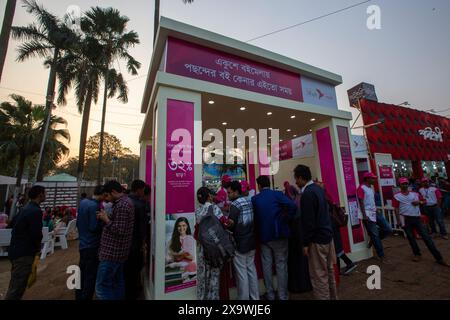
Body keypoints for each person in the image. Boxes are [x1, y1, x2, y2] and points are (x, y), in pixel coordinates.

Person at [294, 165, 337, 300]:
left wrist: (305, 243)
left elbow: (309, 222)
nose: (295, 182)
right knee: (329, 272)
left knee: (319, 276)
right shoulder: (318, 189)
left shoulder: (307, 194)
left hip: (317, 240)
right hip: (328, 237)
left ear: (301, 178)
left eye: (296, 179)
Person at [252, 175, 297, 300]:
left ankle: (270, 294)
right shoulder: (277, 195)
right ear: (269, 184)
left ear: (259, 186)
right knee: (281, 265)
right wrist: (285, 217)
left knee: (266, 265)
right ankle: (282, 295)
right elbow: (293, 206)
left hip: (264, 236)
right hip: (279, 235)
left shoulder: (255, 199)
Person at [393, 177, 449, 266]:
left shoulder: (415, 194)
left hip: (416, 218)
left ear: (408, 184)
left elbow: (424, 201)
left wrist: (419, 202)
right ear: (399, 185)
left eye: (406, 183)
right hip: (405, 219)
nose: (405, 185)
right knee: (411, 238)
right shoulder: (396, 196)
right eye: (403, 184)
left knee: (427, 238)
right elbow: (396, 209)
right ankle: (417, 254)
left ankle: (439, 258)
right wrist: (399, 221)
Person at [95, 180, 135, 300]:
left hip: (112, 253)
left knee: (102, 288)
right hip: (117, 253)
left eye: (107, 195)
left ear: (113, 192)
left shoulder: (122, 205)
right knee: (117, 284)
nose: (105, 199)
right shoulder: (122, 203)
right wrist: (108, 217)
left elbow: (120, 230)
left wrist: (106, 220)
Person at [5, 185, 46, 300]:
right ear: (40, 195)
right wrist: (37, 248)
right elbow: (36, 234)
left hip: (16, 251)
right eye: (45, 193)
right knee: (16, 289)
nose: (46, 195)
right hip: (24, 254)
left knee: (16, 285)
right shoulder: (35, 211)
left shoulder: (25, 208)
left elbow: (11, 225)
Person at [195, 187, 229, 300]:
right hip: (214, 248)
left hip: (202, 248)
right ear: (209, 196)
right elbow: (224, 223)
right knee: (214, 274)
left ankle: (201, 297)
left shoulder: (198, 211)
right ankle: (213, 297)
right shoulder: (214, 208)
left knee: (202, 275)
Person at [226, 181, 259, 300]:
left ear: (235, 192)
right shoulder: (249, 201)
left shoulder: (235, 205)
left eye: (229, 192)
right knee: (251, 270)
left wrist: (225, 223)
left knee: (242, 274)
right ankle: (255, 298)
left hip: (240, 243)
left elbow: (231, 224)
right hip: (251, 241)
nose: (227, 195)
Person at [75, 185, 105, 300]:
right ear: (102, 194)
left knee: (81, 275)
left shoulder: (83, 203)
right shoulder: (94, 206)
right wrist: (105, 221)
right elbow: (94, 227)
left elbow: (78, 223)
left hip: (83, 245)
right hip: (92, 245)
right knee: (90, 277)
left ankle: (78, 296)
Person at [357, 172, 392, 263]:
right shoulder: (361, 188)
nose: (374, 180)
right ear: (367, 179)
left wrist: (376, 209)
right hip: (367, 214)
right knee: (375, 234)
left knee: (388, 229)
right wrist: (364, 216)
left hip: (374, 212)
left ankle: (373, 239)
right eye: (372, 178)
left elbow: (371, 201)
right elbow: (361, 202)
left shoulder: (370, 188)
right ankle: (381, 255)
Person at [125, 180, 149, 300]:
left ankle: (130, 291)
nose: (144, 192)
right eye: (143, 189)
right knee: (134, 269)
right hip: (135, 243)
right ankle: (133, 293)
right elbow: (142, 227)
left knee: (129, 270)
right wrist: (143, 241)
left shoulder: (125, 201)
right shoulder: (139, 205)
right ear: (139, 189)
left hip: (126, 243)